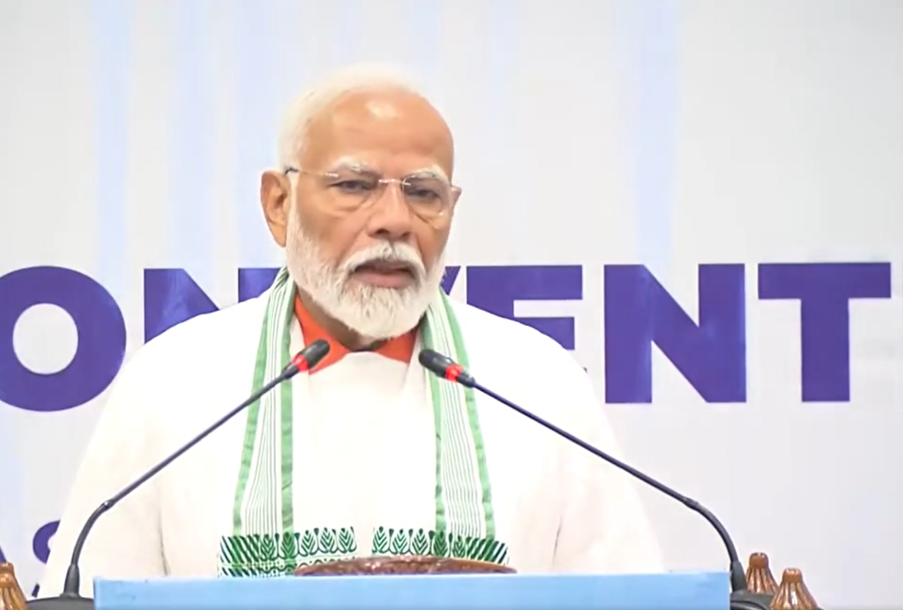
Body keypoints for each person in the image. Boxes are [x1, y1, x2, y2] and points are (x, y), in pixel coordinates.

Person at [38, 63, 662, 596]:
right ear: (278, 205)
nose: (393, 220)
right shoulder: (174, 383)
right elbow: (94, 589)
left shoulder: (536, 383)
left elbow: (624, 594)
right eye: (354, 186)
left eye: (423, 193)